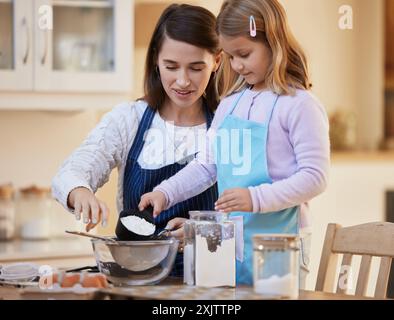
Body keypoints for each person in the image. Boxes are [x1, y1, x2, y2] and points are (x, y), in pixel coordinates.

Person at [139, 0, 330, 286]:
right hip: (231, 245)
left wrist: (256, 198)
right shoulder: (229, 106)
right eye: (229, 57)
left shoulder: (299, 105)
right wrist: (166, 193)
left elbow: (315, 178)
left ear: (273, 41)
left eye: (244, 54)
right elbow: (206, 167)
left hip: (280, 244)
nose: (237, 65)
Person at [52, 3, 226, 277]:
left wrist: (202, 231)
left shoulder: (227, 125)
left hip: (210, 284)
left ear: (217, 60)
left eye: (195, 68)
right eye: (171, 66)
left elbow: (251, 214)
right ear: (156, 59)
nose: (182, 81)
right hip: (137, 281)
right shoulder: (129, 119)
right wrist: (80, 192)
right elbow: (72, 171)